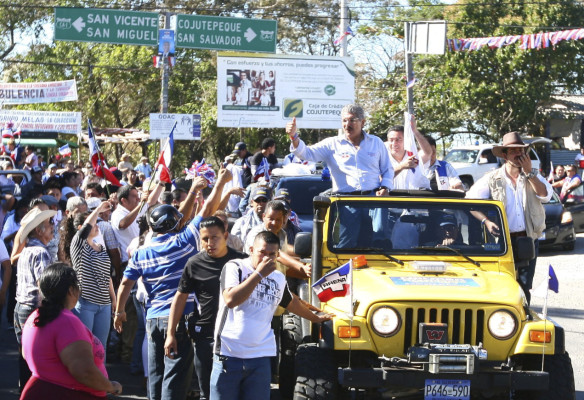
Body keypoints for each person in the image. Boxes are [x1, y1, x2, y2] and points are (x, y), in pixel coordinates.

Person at [114, 171, 231, 400]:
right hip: (179, 318)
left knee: (156, 374)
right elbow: (207, 211)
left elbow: (125, 283)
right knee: (176, 376)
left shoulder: (141, 253)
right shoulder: (183, 242)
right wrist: (220, 182)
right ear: (174, 224)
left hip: (152, 319)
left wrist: (118, 312)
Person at [209, 231, 333, 400]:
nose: (266, 259)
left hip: (259, 358)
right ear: (251, 249)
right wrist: (259, 274)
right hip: (229, 355)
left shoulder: (278, 278)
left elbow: (291, 302)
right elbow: (231, 299)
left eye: (272, 255)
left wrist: (316, 317)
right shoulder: (235, 267)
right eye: (262, 253)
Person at [286, 104, 393, 247]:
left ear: (363, 122)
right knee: (346, 244)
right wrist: (294, 137)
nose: (347, 124)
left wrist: (385, 186)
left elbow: (388, 169)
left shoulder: (376, 142)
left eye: (352, 120)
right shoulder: (332, 144)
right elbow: (307, 153)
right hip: (346, 202)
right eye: (344, 120)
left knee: (378, 241)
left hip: (373, 200)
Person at [165, 216, 247, 400]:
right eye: (205, 239)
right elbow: (180, 297)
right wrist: (171, 333)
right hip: (206, 336)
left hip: (238, 336)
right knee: (208, 392)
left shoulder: (242, 262)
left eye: (215, 237)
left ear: (225, 235)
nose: (210, 243)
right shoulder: (194, 263)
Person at [466, 132, 552, 305]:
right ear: (504, 155)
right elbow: (470, 203)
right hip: (503, 242)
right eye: (512, 151)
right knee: (504, 284)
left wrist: (530, 173)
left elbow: (545, 195)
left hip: (528, 240)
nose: (518, 154)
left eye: (520, 150)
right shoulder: (492, 178)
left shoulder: (533, 175)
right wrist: (487, 222)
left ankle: (523, 317)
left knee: (525, 286)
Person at [20, 263, 122, 399]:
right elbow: (84, 372)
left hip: (41, 390)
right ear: (70, 290)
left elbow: (26, 354)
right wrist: (111, 386)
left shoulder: (35, 316)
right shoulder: (67, 322)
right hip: (69, 394)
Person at [63, 202, 116, 351]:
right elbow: (87, 226)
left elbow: (107, 276)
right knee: (85, 347)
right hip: (85, 304)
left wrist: (113, 299)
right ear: (81, 228)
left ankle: (102, 375)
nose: (96, 224)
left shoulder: (100, 246)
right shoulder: (78, 245)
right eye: (93, 222)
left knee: (101, 348)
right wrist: (98, 209)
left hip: (104, 305)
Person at [14, 207, 57, 390]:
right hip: (33, 309)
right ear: (39, 230)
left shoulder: (28, 249)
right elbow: (44, 285)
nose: (53, 227)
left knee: (25, 356)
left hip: (21, 307)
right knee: (35, 358)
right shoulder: (40, 252)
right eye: (49, 225)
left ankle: (24, 391)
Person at [385, 118, 431, 189]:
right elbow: (382, 178)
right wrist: (402, 166)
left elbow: (428, 153)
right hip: (392, 198)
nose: (394, 144)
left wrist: (415, 131)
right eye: (391, 140)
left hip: (414, 198)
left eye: (398, 140)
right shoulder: (382, 157)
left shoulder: (413, 155)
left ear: (405, 140)